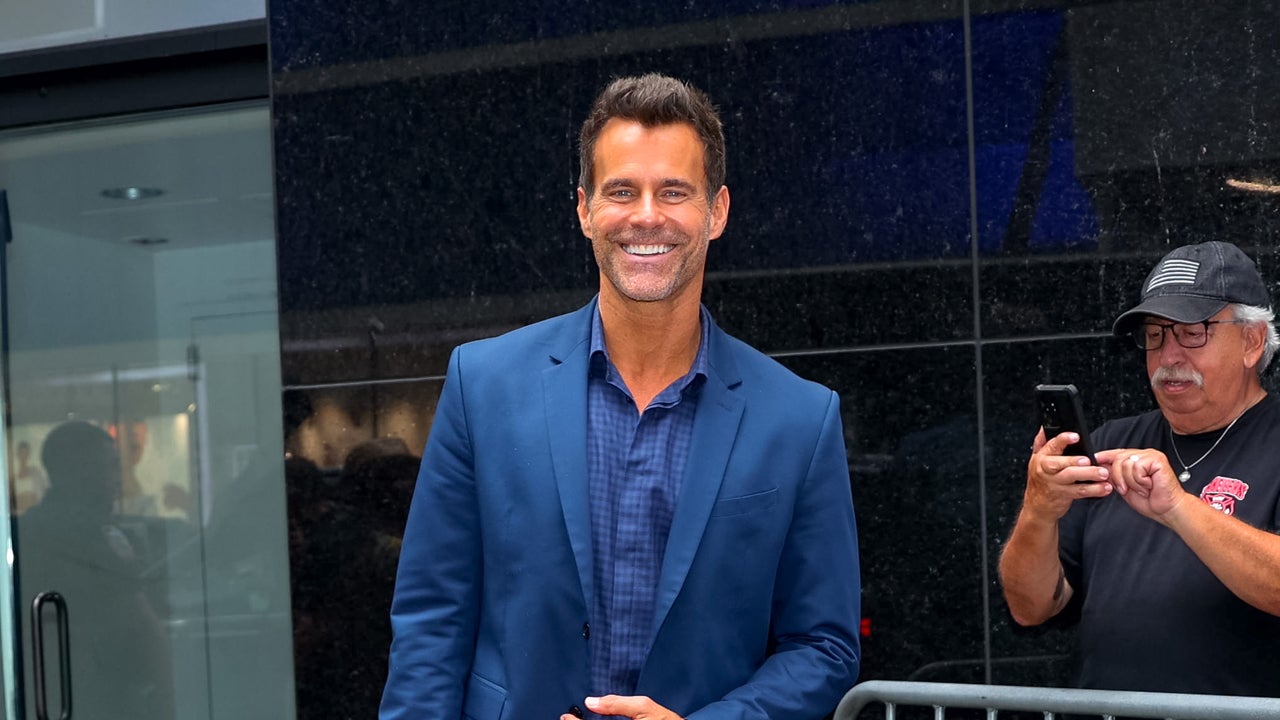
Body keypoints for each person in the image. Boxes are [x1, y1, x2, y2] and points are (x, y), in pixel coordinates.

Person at [379, 73, 861, 719]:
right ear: (585, 210)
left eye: (674, 192)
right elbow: (431, 620)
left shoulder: (800, 419)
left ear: (717, 211)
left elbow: (823, 647)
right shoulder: (483, 383)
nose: (646, 215)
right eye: (622, 191)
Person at [999, 240, 1280, 696]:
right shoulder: (1110, 443)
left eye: (1192, 333)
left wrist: (1178, 508)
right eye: (1155, 335)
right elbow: (1030, 609)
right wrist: (1039, 509)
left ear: (1252, 342)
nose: (1169, 356)